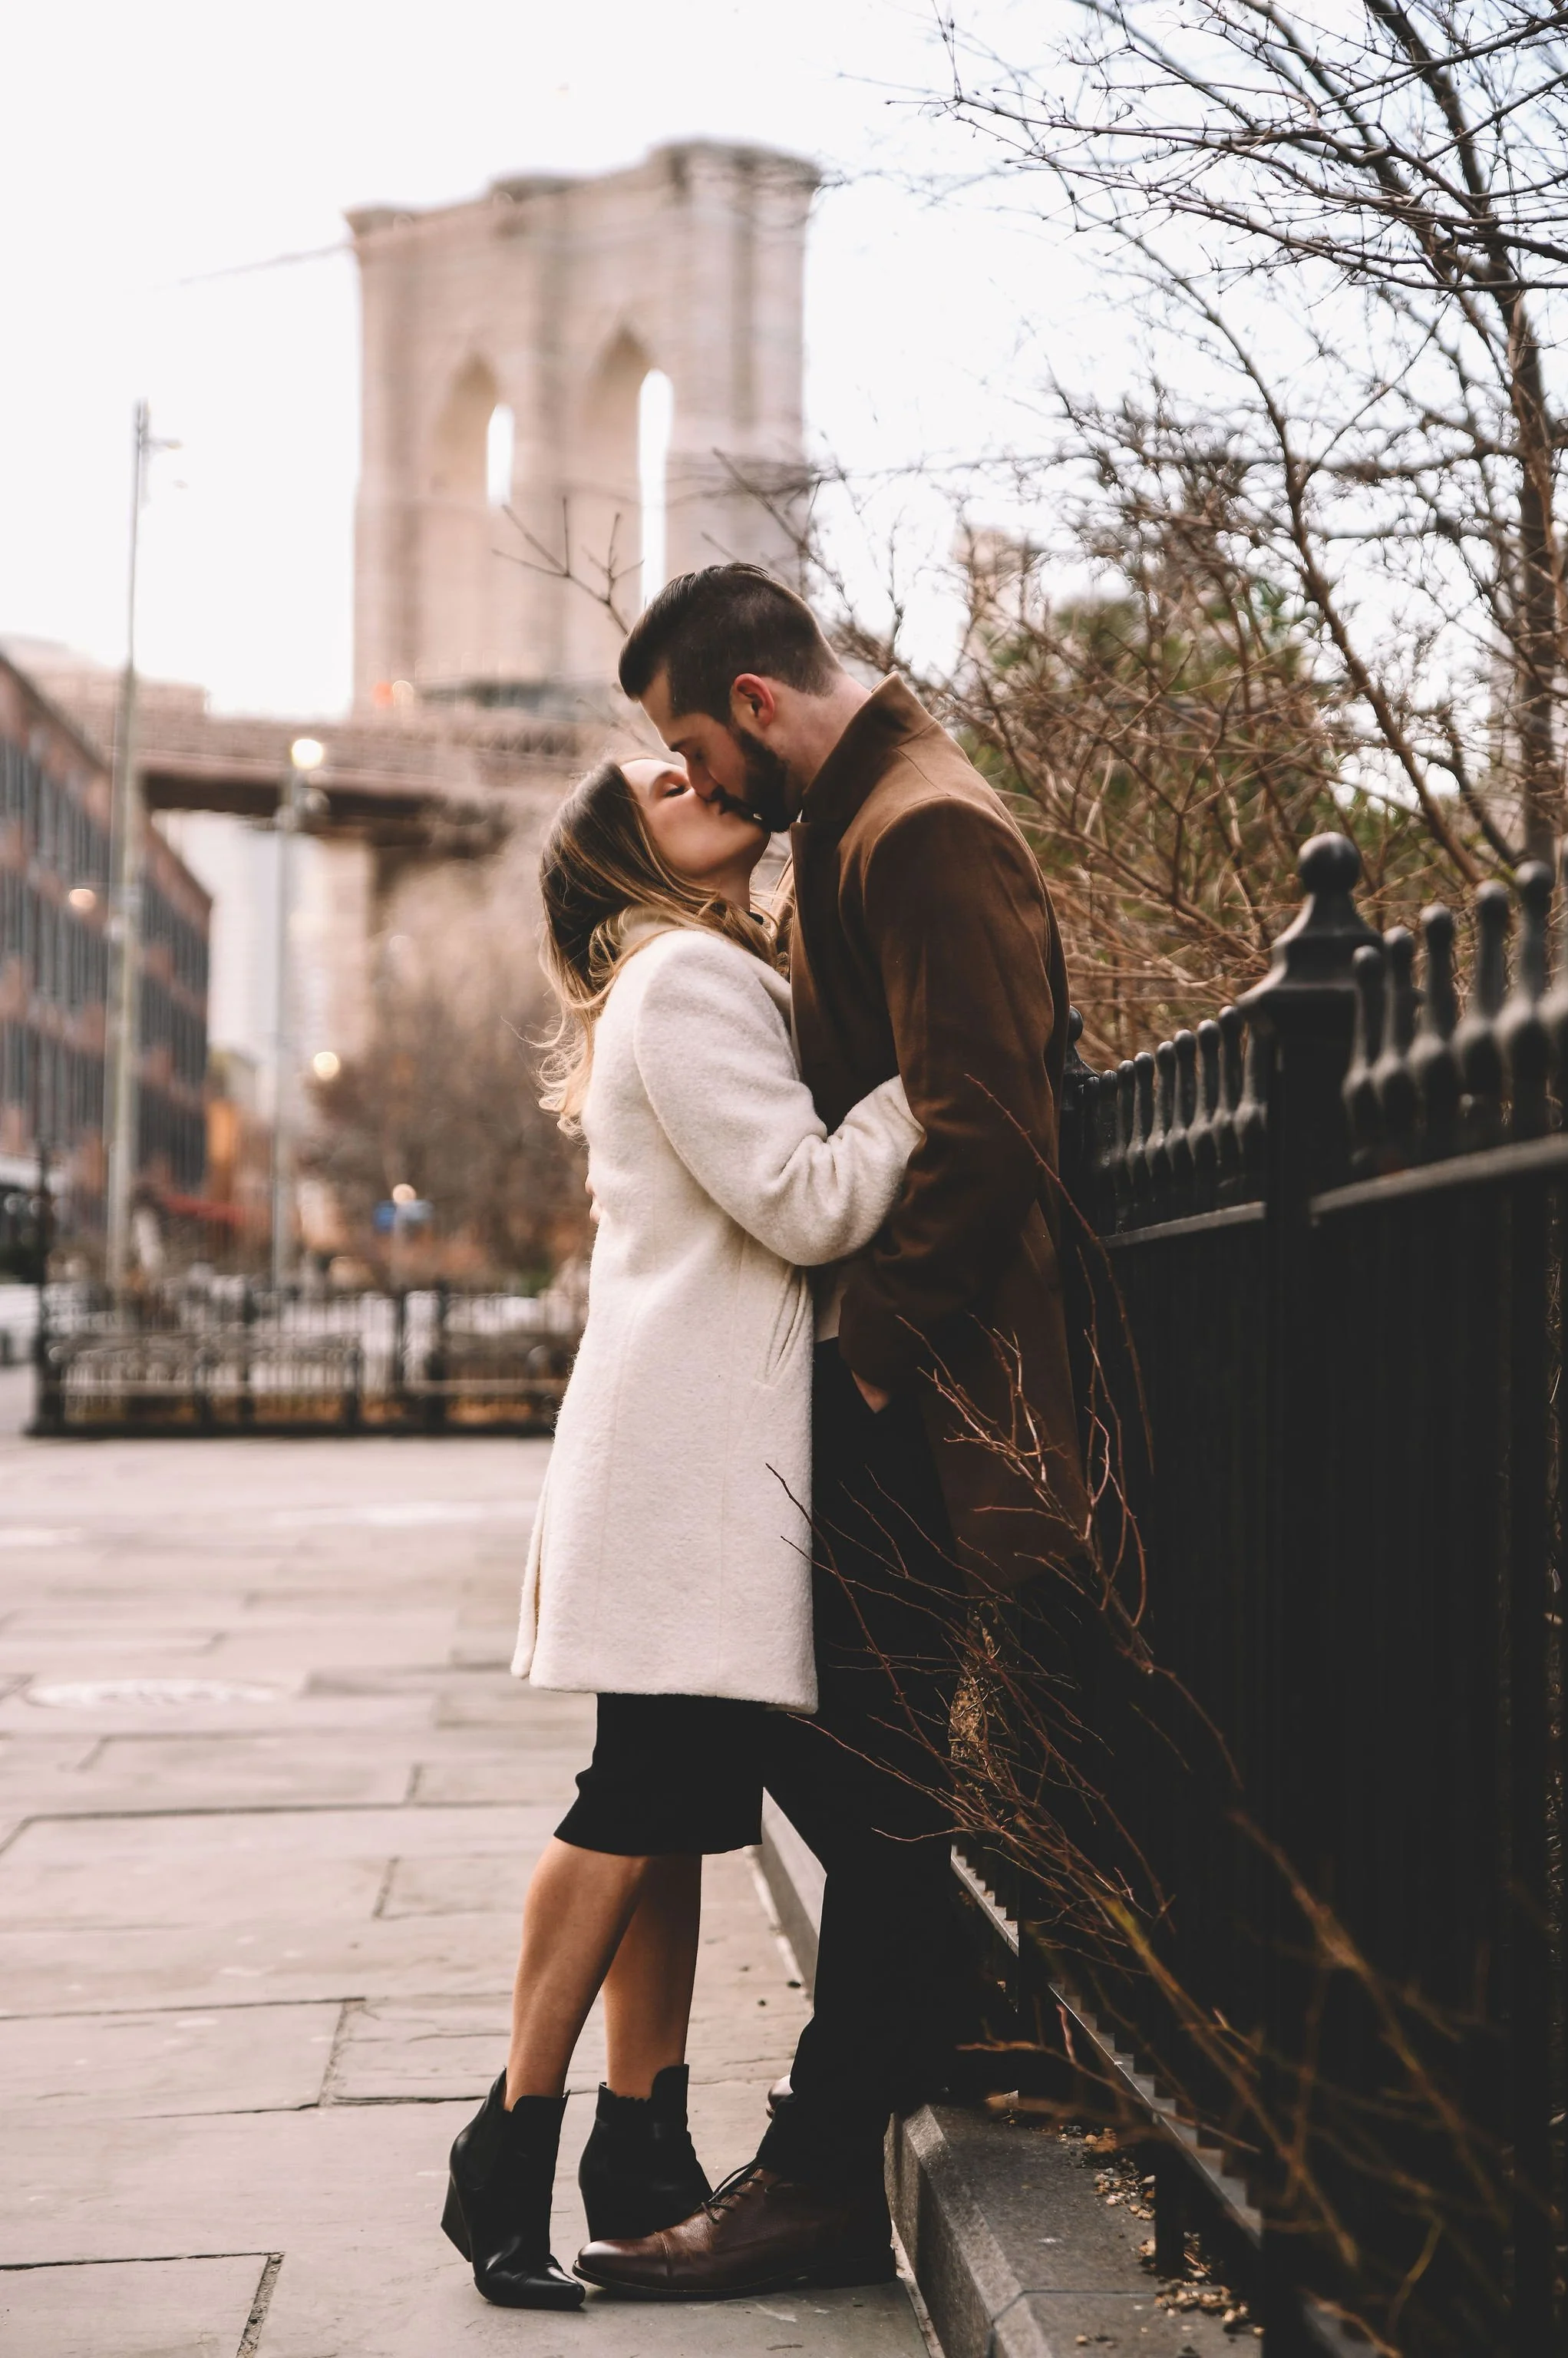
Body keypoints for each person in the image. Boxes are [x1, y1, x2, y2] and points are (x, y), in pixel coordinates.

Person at [576, 566, 1089, 2300]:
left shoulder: (920, 830)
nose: (701, 791)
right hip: (888, 1398)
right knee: (858, 1783)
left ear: (751, 706)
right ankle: (887, 2061)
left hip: (918, 1401)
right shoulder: (862, 821)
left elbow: (987, 1128)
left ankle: (813, 2171)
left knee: (866, 1790)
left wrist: (861, 1366)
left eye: (689, 751)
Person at [440, 751, 922, 2310]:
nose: (690, 771)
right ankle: (508, 2144)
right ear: (627, 853)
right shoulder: (691, 977)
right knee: (633, 1797)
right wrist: (937, 1082)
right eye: (659, 779)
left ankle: (640, 2143)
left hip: (679, 1458)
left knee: (674, 1805)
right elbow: (803, 1199)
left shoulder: (688, 972)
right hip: (690, 1470)